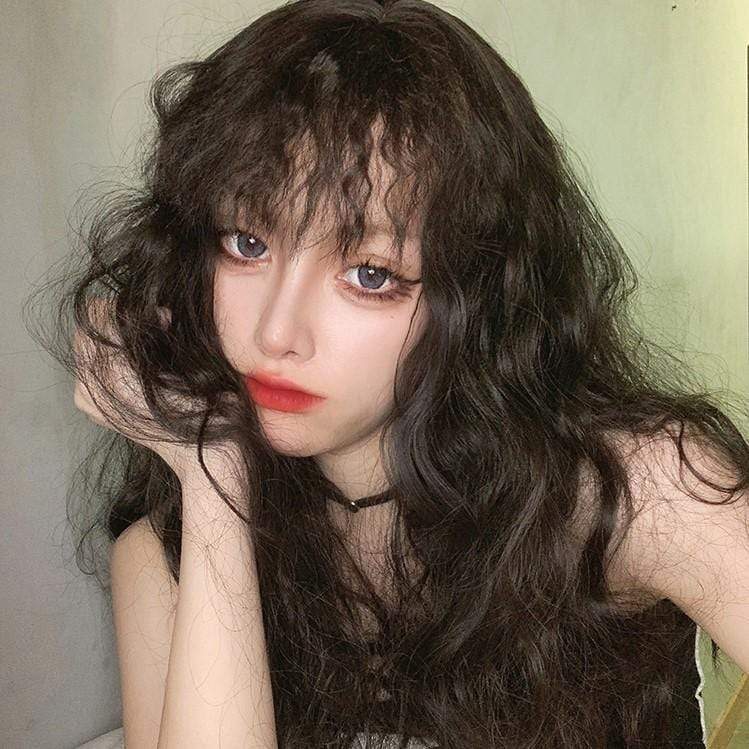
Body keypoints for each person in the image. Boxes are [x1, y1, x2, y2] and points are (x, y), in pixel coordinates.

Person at [26, 0, 749, 747]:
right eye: (246, 242)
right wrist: (214, 486)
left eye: (369, 274)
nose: (275, 333)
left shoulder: (638, 489)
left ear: (478, 297)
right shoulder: (167, 551)